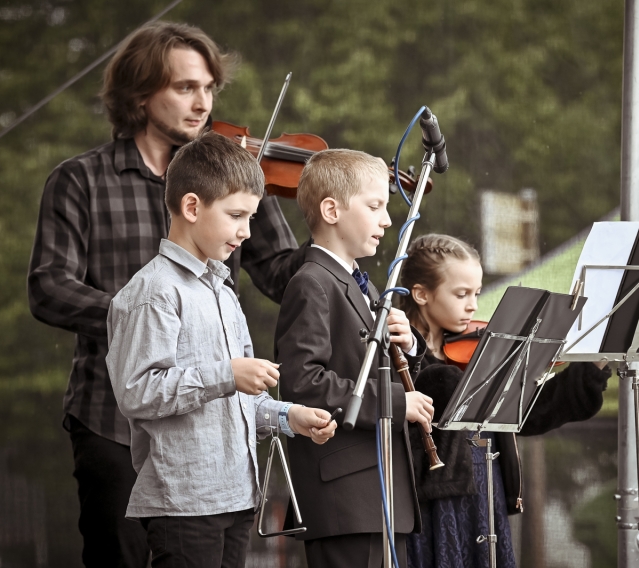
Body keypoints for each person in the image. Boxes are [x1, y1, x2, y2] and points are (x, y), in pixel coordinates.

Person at [26, 22, 308, 568]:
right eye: (184, 87)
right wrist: (145, 319)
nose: (202, 102)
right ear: (139, 93)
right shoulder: (80, 180)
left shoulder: (234, 177)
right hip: (109, 416)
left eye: (208, 88)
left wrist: (334, 249)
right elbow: (48, 286)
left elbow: (277, 271)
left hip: (210, 438)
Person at [105, 132, 336, 568]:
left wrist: (288, 417)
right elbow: (136, 392)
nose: (247, 232)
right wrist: (226, 374)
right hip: (185, 504)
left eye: (251, 217)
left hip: (235, 497)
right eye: (236, 216)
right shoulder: (154, 292)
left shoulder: (224, 291)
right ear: (192, 207)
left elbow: (239, 403)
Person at [398, 234, 612, 568]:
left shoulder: (480, 348)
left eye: (477, 293)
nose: (473, 305)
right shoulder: (399, 356)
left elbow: (531, 412)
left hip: (486, 497)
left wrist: (593, 367)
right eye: (461, 294)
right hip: (434, 509)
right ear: (421, 294)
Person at [274, 149, 435, 568]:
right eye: (375, 206)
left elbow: (369, 370)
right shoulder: (311, 282)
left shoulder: (359, 284)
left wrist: (409, 345)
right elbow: (303, 382)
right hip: (346, 497)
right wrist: (399, 404)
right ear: (331, 210)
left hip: (373, 493)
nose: (386, 220)